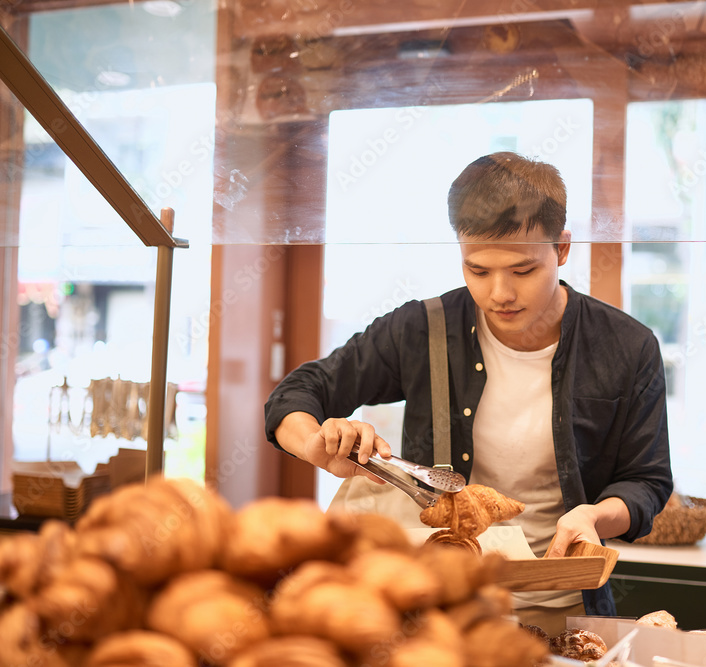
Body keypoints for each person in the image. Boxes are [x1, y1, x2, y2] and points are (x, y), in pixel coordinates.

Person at [264, 151, 672, 631]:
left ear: (561, 249)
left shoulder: (626, 346)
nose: (499, 292)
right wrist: (317, 444)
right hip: (438, 610)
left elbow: (647, 480)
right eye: (477, 270)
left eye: (522, 271)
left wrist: (596, 517)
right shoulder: (424, 329)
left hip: (564, 610)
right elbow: (296, 393)